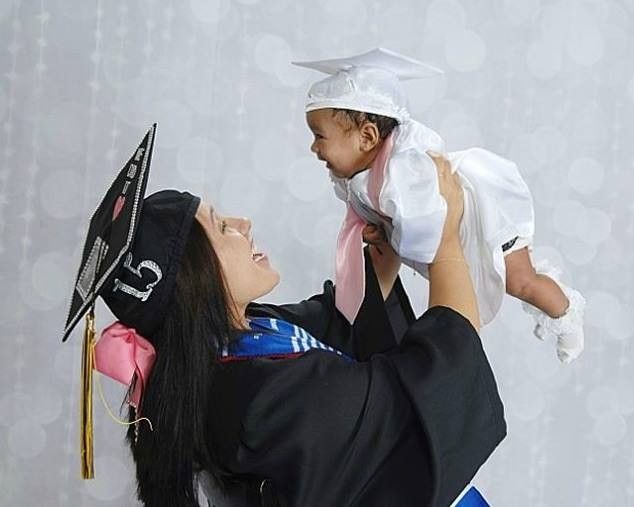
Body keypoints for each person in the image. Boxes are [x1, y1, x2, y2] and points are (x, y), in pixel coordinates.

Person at [63, 126, 505, 507]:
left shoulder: (241, 342)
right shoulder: (256, 406)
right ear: (194, 281)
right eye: (221, 227)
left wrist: (378, 261)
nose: (243, 224)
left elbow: (338, 330)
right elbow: (422, 388)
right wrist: (447, 241)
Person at [294, 48, 585, 364]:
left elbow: (426, 231)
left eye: (319, 136)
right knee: (500, 283)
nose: (313, 147)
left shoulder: (405, 171)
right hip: (460, 238)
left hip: (487, 220)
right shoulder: (361, 175)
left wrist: (394, 236)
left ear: (367, 136)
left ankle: (566, 310)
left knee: (520, 281)